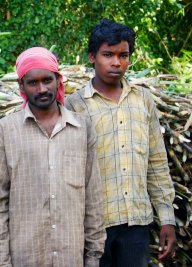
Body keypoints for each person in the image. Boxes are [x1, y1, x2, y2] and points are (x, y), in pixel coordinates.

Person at [65, 19, 176, 267]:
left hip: (136, 222)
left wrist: (167, 218)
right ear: (92, 57)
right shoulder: (75, 105)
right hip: (93, 226)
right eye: (108, 54)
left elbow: (156, 162)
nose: (117, 62)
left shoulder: (143, 100)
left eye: (123, 55)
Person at [0, 47, 106, 266]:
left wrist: (94, 254)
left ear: (58, 80)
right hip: (25, 258)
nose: (41, 89)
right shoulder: (5, 131)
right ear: (21, 86)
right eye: (32, 82)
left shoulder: (82, 128)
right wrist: (1, 262)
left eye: (47, 80)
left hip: (71, 257)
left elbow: (93, 196)